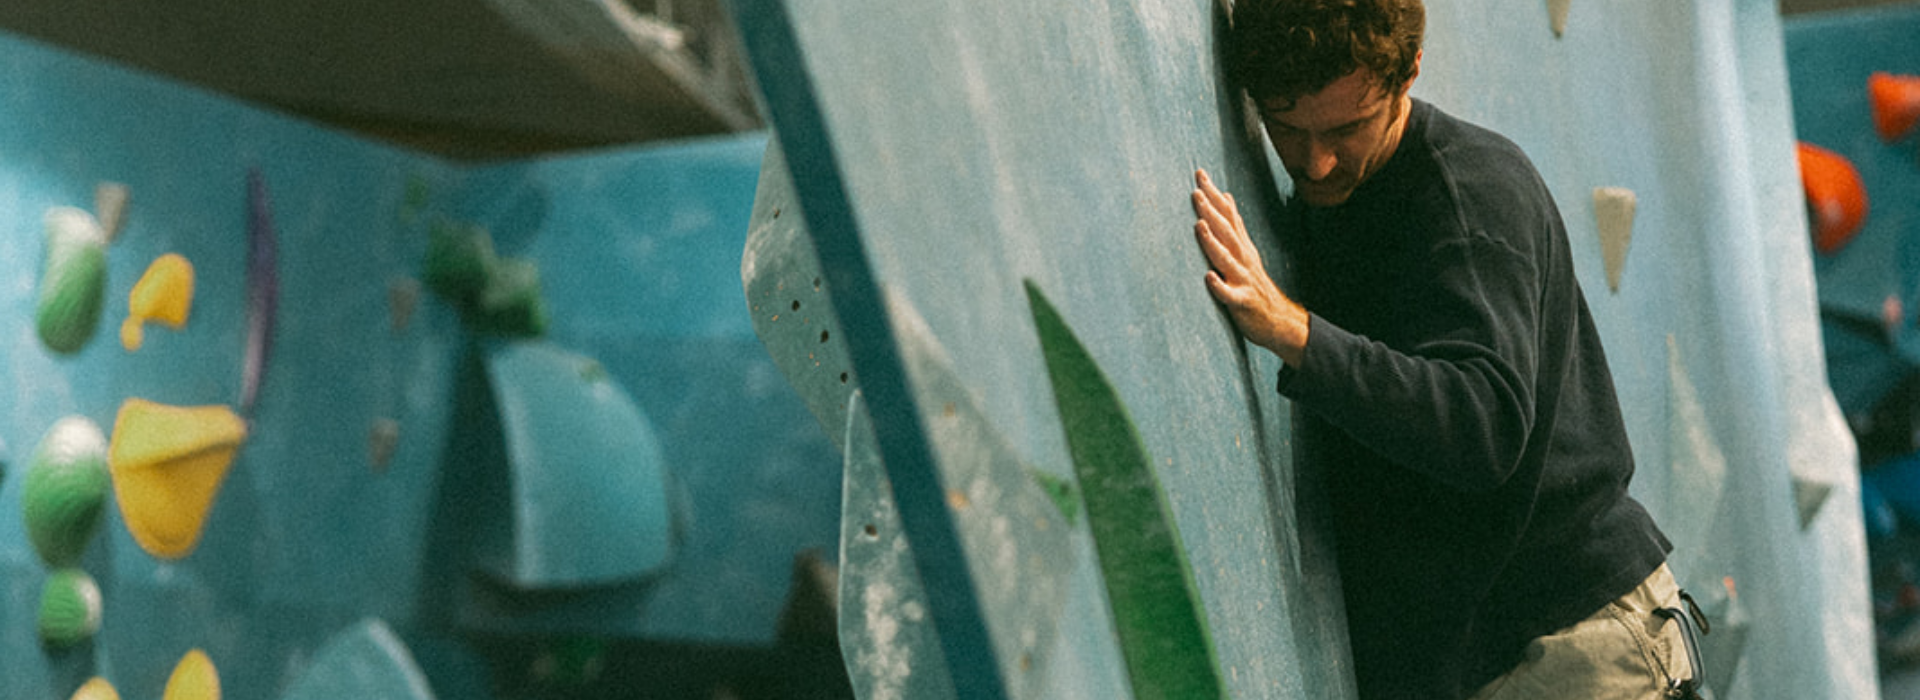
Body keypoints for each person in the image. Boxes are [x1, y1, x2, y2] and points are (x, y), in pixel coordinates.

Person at [1189, 1, 1704, 698]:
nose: (1315, 162)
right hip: (1503, 651)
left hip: (1576, 646)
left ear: (1408, 74)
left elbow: (1486, 421)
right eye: (1286, 127)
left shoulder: (1471, 198)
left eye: (1345, 129)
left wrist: (1295, 331)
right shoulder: (1346, 195)